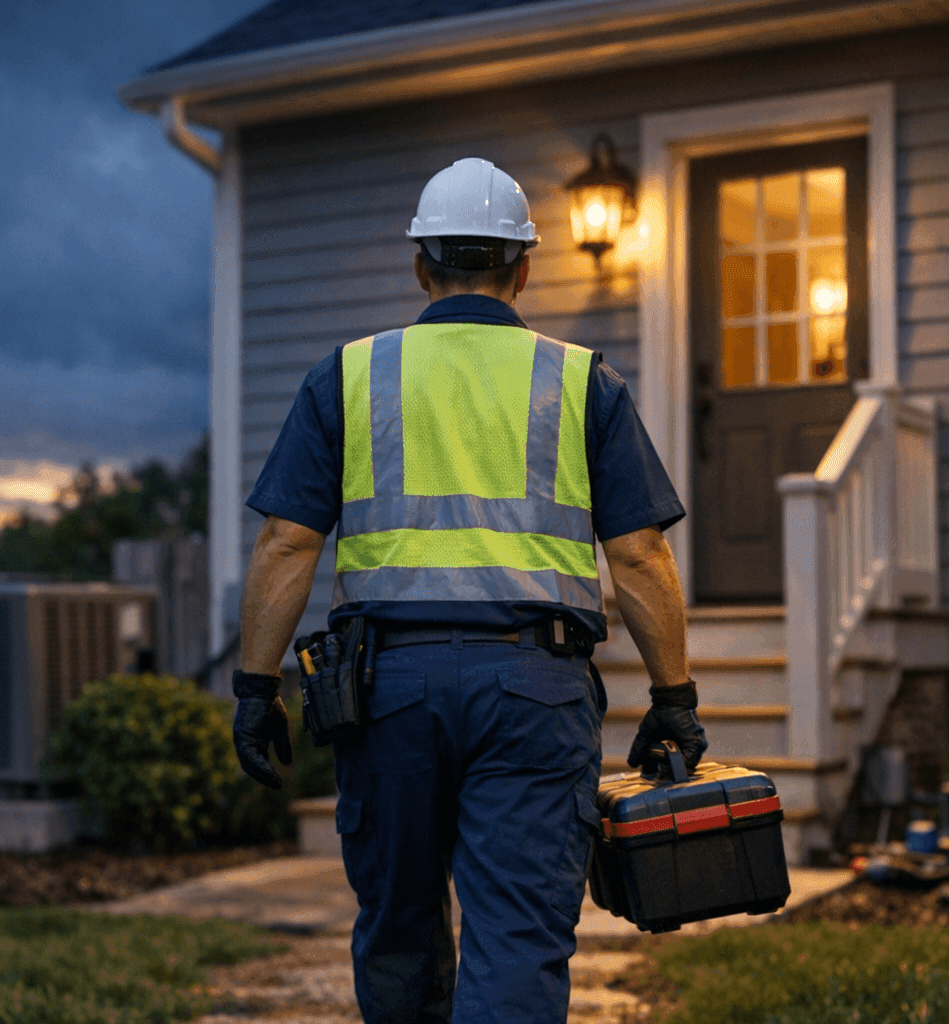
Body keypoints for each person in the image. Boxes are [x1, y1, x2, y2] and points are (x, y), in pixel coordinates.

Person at [230, 156, 706, 1024]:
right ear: (523, 270)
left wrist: (256, 688)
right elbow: (638, 556)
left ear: (422, 267)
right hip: (535, 689)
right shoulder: (579, 381)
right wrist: (674, 696)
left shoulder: (349, 376)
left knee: (401, 929)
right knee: (518, 938)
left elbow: (286, 541)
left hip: (385, 694)